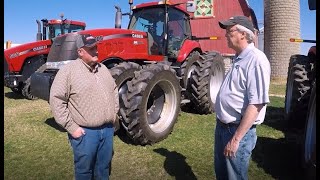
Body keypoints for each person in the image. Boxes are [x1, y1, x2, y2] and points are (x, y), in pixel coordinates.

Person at [49, 33, 119, 180]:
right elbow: (56, 100)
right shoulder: (68, 71)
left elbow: (114, 91)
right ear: (80, 52)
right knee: (84, 172)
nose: (97, 51)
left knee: (103, 169)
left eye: (96, 47)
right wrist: (72, 127)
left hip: (107, 130)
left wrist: (114, 114)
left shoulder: (103, 69)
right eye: (92, 49)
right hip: (86, 134)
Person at [214, 16, 271, 180]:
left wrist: (236, 139)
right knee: (223, 174)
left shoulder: (256, 59)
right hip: (223, 127)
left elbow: (257, 103)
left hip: (237, 131)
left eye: (229, 31)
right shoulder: (239, 57)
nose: (226, 35)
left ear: (243, 35)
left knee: (234, 176)